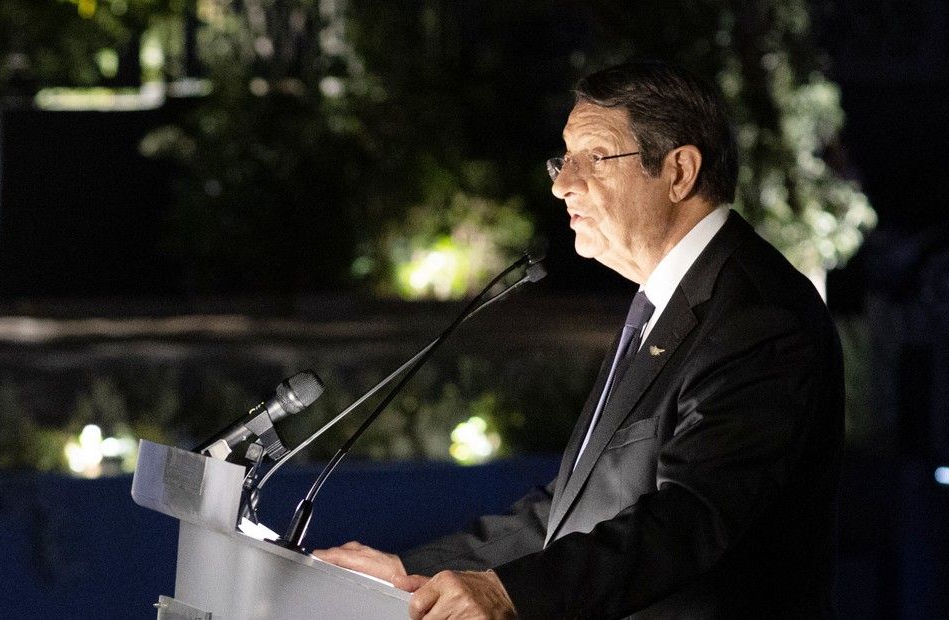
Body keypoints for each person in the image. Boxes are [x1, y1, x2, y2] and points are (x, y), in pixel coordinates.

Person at [315, 61, 844, 619]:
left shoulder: (755, 316)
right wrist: (411, 572)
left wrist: (512, 594)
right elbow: (570, 509)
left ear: (679, 171)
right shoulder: (665, 302)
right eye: (563, 159)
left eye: (594, 157)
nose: (561, 183)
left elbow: (690, 520)